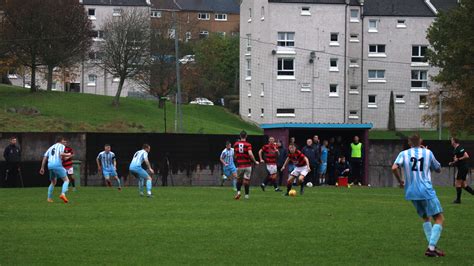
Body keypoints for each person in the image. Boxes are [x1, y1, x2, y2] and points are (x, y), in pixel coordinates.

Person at [391, 134, 445, 257]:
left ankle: (432, 247)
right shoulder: (427, 153)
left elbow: (394, 168)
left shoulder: (403, 154)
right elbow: (438, 169)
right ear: (421, 141)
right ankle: (431, 248)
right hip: (426, 190)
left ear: (409, 143)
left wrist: (400, 181)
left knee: (426, 218)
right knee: (439, 218)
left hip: (411, 192)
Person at [39, 136, 72, 203]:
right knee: (66, 180)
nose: (65, 142)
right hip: (57, 165)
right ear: (60, 141)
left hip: (50, 166)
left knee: (53, 182)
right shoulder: (61, 146)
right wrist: (68, 154)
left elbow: (45, 157)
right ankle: (63, 194)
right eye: (64, 141)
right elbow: (61, 154)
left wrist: (42, 167)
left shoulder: (51, 147)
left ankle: (49, 198)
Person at [233, 130, 259, 200]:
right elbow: (250, 154)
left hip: (239, 165)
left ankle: (238, 192)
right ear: (246, 136)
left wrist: (237, 159)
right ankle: (246, 196)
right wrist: (255, 161)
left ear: (240, 136)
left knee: (239, 180)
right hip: (247, 165)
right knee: (246, 181)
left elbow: (235, 155)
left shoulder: (235, 144)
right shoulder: (248, 144)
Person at [449, 137, 473, 204]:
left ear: (454, 141)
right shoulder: (456, 148)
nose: (451, 141)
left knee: (457, 183)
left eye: (451, 140)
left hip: (463, 168)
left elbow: (466, 156)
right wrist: (453, 162)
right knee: (463, 185)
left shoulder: (460, 147)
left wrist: (458, 159)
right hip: (461, 167)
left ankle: (458, 200)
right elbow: (457, 159)